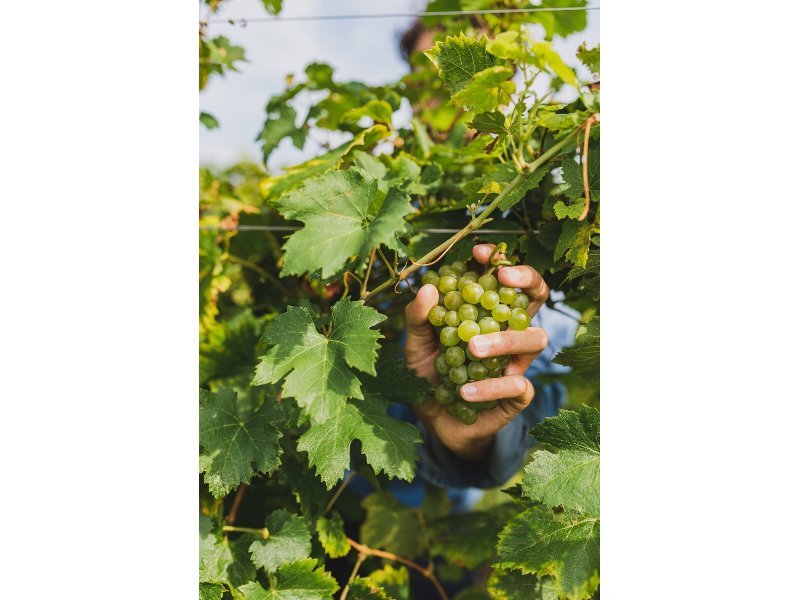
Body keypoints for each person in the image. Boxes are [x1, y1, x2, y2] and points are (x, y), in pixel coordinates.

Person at [402, 243, 579, 500]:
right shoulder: (419, 249)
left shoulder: (563, 322)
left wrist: (473, 446)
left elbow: (534, 423)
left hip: (433, 491)